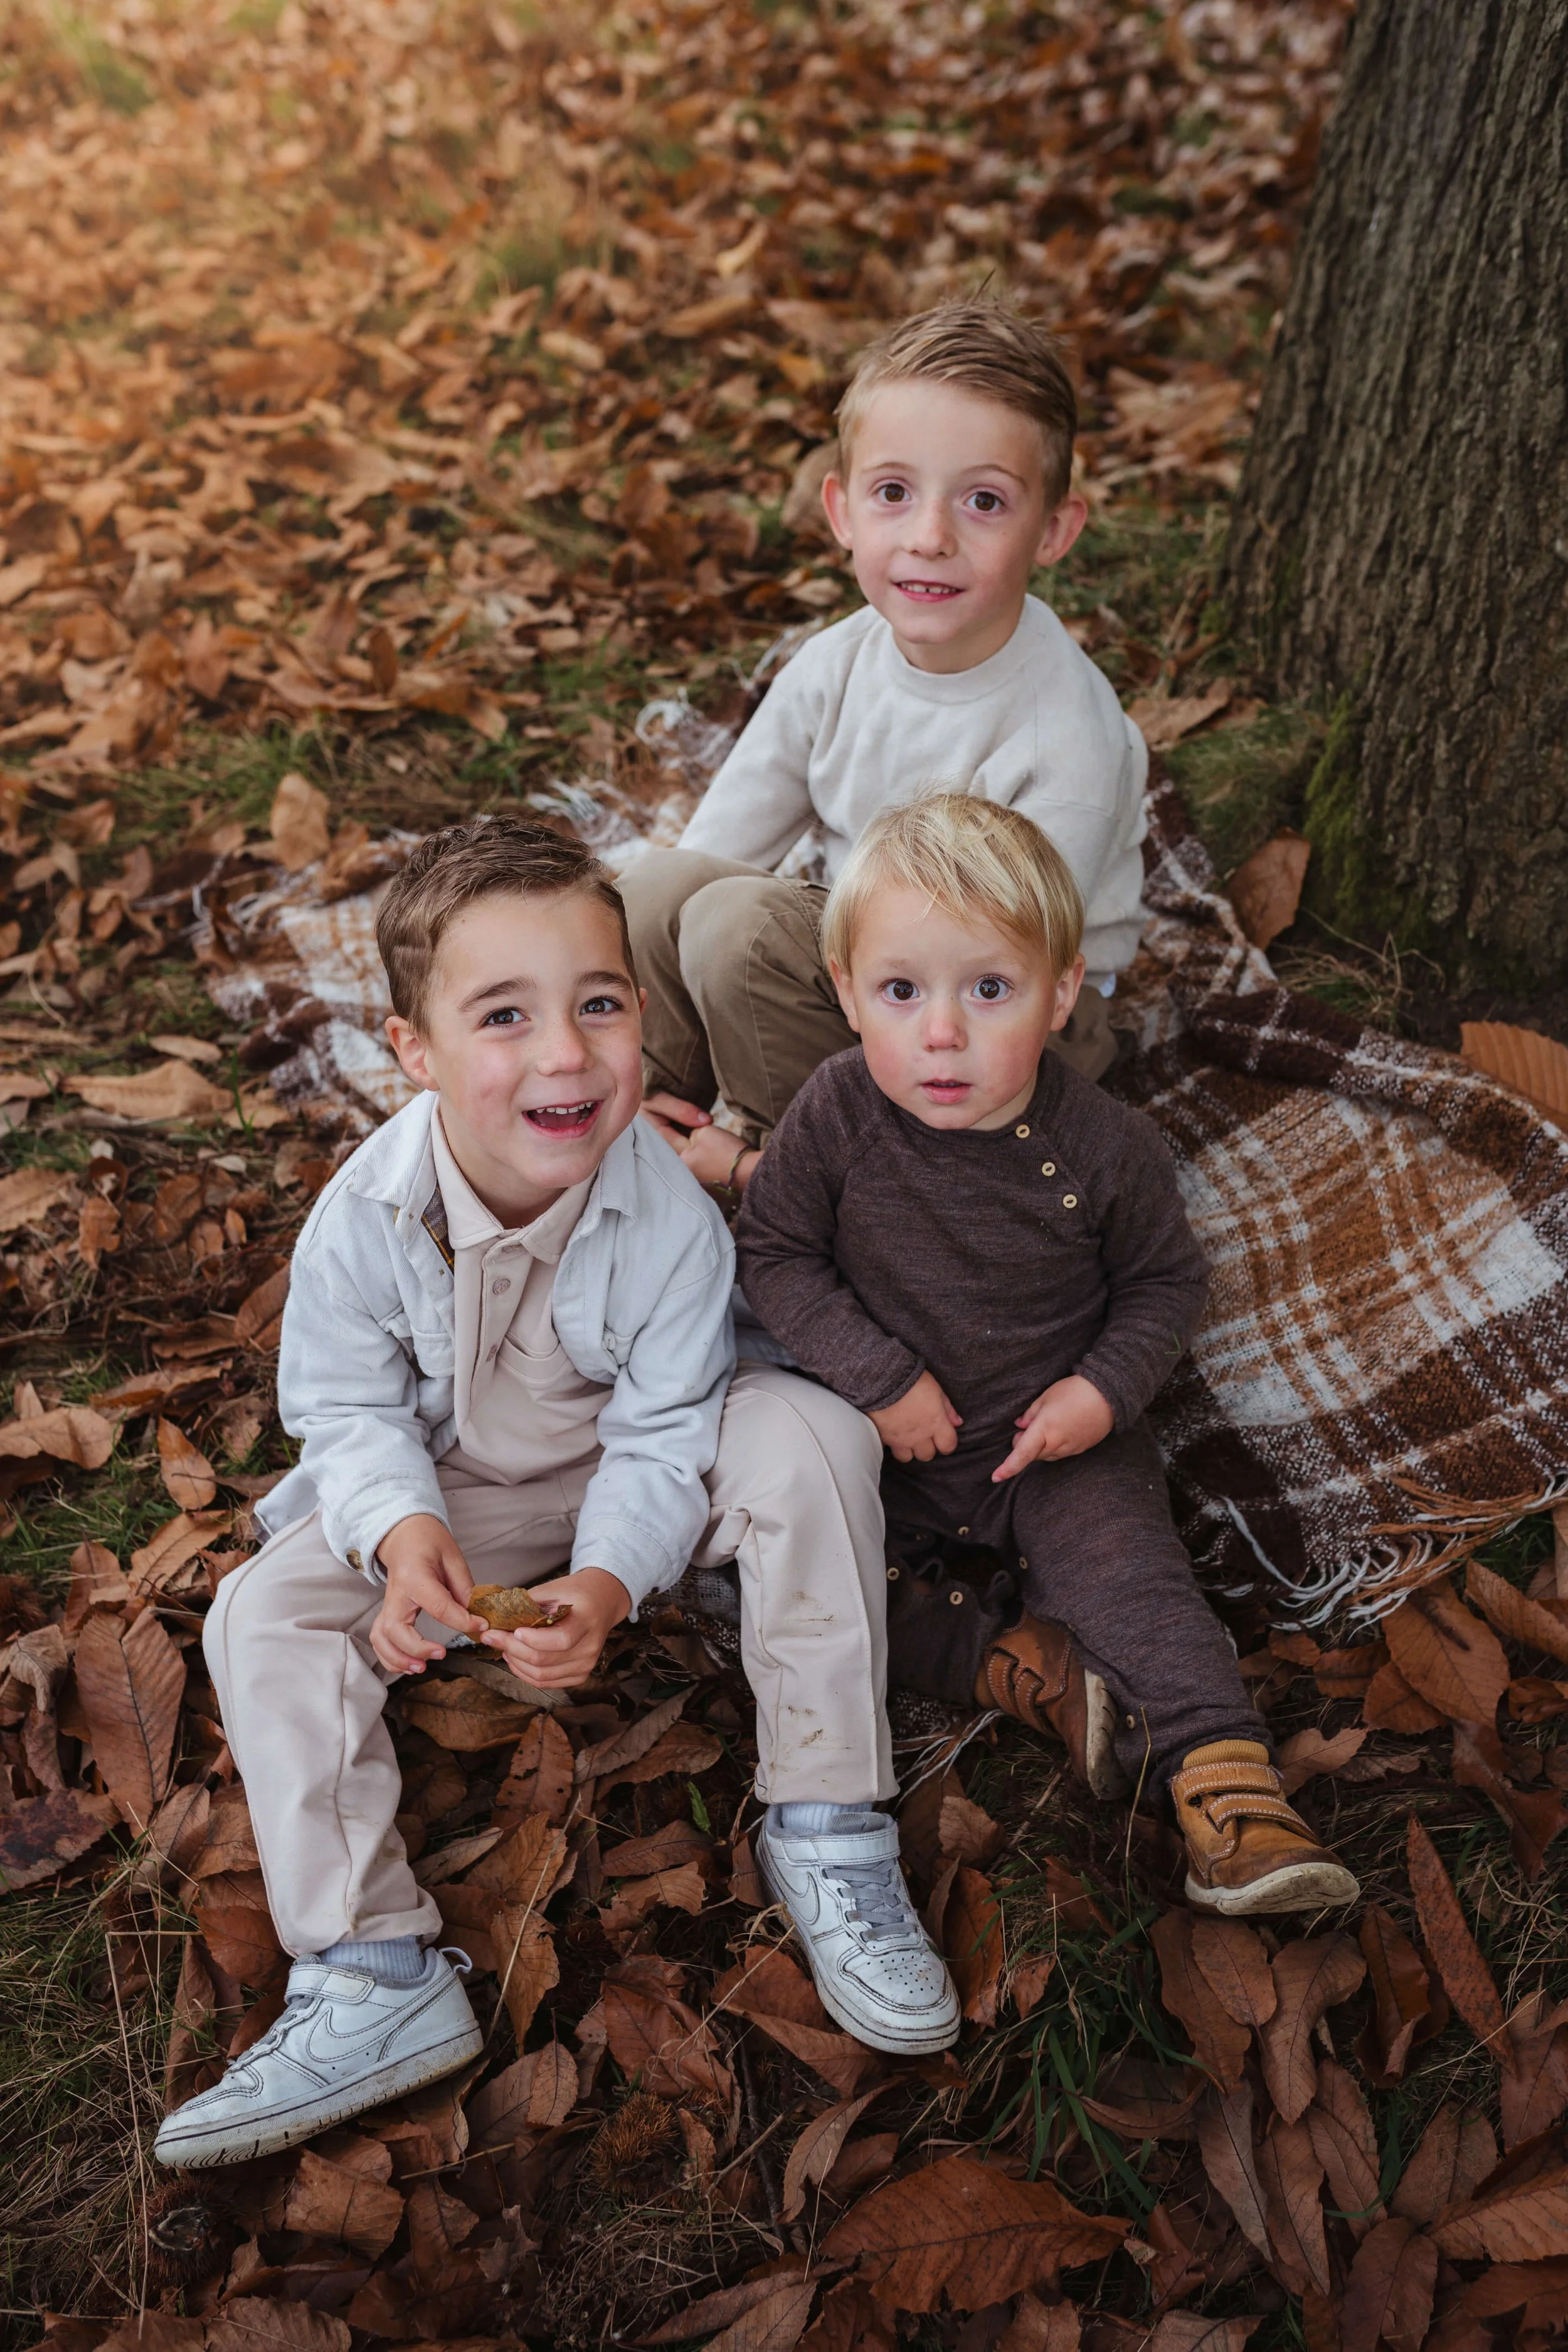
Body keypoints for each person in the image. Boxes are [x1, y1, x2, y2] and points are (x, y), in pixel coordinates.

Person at [155, 817, 959, 2172]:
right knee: (258, 1615)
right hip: (460, 1486)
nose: (565, 1055)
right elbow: (344, 1412)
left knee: (813, 1436)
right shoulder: (366, 1213)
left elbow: (660, 1436)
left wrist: (605, 1583)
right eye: (503, 1016)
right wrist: (401, 1538)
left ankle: (829, 1820)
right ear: (412, 1053)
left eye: (598, 1004)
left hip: (653, 1457)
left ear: (639, 1010)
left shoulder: (665, 1215)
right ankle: (369, 1970)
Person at [735, 794, 1361, 1917]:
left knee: (1133, 1573)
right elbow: (774, 1253)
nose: (941, 1033)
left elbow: (1166, 1283)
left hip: (1051, 1441)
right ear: (844, 990)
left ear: (1062, 990)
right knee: (806, 1586)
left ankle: (1228, 1785)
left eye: (989, 990)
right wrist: (876, 1380)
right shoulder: (835, 1113)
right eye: (900, 991)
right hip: (892, 1447)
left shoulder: (1102, 1145)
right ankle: (1016, 1665)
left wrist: (1100, 1391)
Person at [623, 298, 1148, 1207]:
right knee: (658, 890)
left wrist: (791, 952)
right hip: (867, 963)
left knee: (736, 930)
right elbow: (712, 854)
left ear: (1056, 531)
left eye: (983, 501)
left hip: (1005, 1020)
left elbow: (999, 975)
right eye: (894, 493)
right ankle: (637, 1120)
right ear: (842, 510)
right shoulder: (835, 665)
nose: (930, 536)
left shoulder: (1066, 737)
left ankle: (787, 1180)